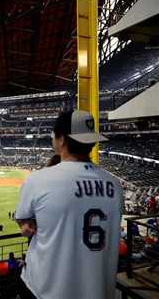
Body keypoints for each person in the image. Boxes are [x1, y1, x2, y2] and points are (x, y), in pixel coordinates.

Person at [15, 110, 122, 299]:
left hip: (46, 289)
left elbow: (25, 225)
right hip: (99, 290)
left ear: (62, 139)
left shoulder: (38, 180)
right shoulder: (115, 185)